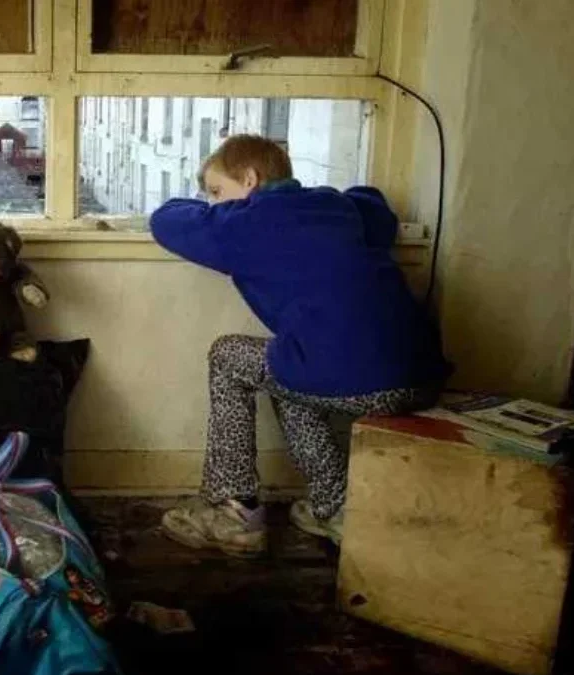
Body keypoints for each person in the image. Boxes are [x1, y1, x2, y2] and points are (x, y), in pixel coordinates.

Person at [150, 134, 449, 557]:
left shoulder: (247, 222)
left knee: (227, 356)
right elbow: (376, 206)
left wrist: (212, 208)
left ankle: (233, 512)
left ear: (250, 179)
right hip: (420, 374)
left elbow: (166, 220)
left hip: (357, 380)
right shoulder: (337, 206)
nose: (215, 204)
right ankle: (335, 506)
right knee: (289, 376)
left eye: (217, 191)